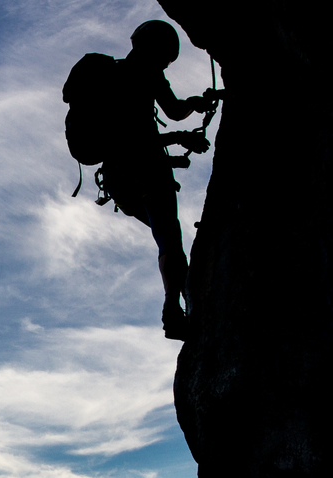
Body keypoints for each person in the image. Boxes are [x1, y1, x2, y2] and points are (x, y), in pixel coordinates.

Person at [100, 20, 216, 340]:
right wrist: (181, 134)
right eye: (166, 56)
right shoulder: (147, 73)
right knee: (169, 240)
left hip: (116, 179)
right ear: (155, 49)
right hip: (145, 170)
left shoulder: (112, 75)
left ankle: (183, 292)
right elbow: (162, 121)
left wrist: (192, 110)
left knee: (166, 238)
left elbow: (129, 137)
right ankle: (173, 308)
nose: (166, 63)